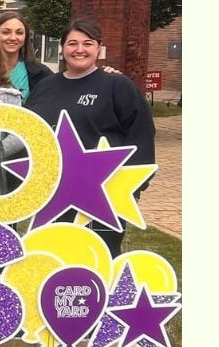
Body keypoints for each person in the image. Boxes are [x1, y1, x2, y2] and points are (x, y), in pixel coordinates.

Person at [26, 18, 156, 257]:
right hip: (53, 193)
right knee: (52, 258)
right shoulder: (45, 87)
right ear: (63, 48)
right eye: (72, 43)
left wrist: (135, 184)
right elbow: (28, 131)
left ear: (98, 48)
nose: (79, 49)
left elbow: (141, 133)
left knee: (97, 261)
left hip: (103, 195)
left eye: (87, 43)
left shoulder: (116, 85)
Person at [0, 11, 51, 104]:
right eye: (6, 32)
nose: (13, 38)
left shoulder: (41, 74)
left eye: (19, 33)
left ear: (25, 37)